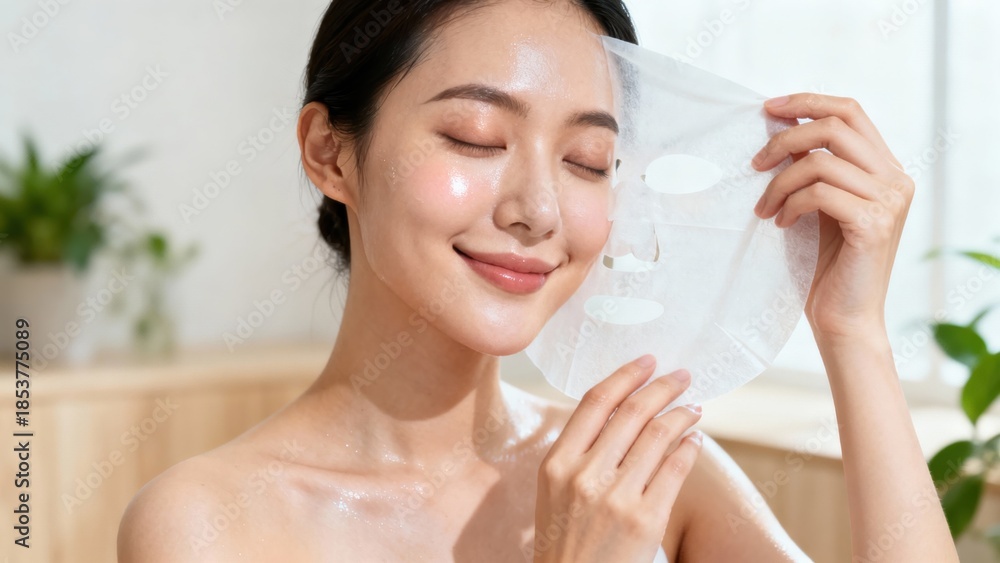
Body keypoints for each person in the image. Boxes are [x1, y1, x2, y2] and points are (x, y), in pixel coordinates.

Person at [117, 0, 961, 561]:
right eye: (476, 138)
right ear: (330, 152)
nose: (538, 210)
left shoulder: (634, 473)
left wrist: (854, 332)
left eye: (588, 160)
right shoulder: (203, 525)